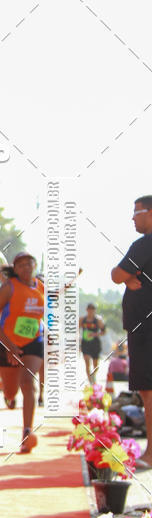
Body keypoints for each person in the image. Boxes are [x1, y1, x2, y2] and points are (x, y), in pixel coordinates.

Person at [111, 194, 152, 469]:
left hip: (145, 327)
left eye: (137, 212)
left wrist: (126, 277)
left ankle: (151, 452)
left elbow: (115, 274)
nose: (133, 217)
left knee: (148, 392)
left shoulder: (144, 244)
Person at [0, 251, 44, 453]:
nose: (25, 267)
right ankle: (9, 396)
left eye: (29, 263)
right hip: (8, 343)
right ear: (15, 269)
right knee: (11, 390)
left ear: (35, 265)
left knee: (28, 382)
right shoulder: (9, 288)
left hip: (33, 342)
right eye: (20, 265)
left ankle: (27, 431)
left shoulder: (41, 287)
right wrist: (9, 347)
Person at [79, 303, 106, 385]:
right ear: (87, 310)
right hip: (85, 343)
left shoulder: (98, 320)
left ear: (94, 311)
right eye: (89, 309)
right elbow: (76, 329)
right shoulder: (82, 319)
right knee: (87, 361)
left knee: (95, 363)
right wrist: (79, 337)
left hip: (95, 344)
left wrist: (94, 334)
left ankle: (93, 376)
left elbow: (104, 331)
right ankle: (90, 381)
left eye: (92, 310)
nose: (91, 311)